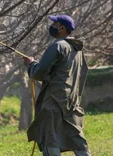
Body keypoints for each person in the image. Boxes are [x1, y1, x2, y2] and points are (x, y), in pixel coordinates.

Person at [23, 15, 91, 156]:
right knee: (76, 138)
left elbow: (39, 73)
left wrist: (30, 65)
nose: (52, 25)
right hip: (71, 102)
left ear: (62, 28)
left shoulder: (57, 46)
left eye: (55, 23)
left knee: (50, 139)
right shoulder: (77, 49)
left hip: (53, 101)